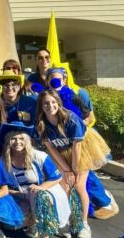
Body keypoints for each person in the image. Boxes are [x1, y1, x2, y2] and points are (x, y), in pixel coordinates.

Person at [35, 89, 111, 238]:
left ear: (58, 102)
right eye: (46, 103)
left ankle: (83, 225)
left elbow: (77, 147)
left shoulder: (71, 119)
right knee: (63, 187)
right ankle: (66, 222)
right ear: (41, 106)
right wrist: (66, 169)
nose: (50, 106)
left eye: (53, 102)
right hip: (61, 154)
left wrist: (74, 170)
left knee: (79, 185)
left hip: (81, 151)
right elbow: (51, 148)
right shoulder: (41, 123)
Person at [44, 67, 118, 219]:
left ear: (64, 80)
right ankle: (76, 208)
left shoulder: (74, 96)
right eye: (52, 79)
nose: (56, 82)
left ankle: (103, 202)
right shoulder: (46, 99)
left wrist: (77, 123)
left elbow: (89, 117)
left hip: (79, 140)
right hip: (60, 144)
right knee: (67, 178)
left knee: (84, 174)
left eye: (59, 79)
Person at [1, 122, 70, 238]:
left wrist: (40, 188)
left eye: (21, 138)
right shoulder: (3, 160)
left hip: (46, 192)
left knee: (37, 195)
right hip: (21, 195)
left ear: (27, 140)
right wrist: (18, 193)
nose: (17, 142)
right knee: (13, 221)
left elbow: (56, 178)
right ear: (8, 141)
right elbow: (1, 186)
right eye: (13, 138)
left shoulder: (39, 156)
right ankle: (32, 224)